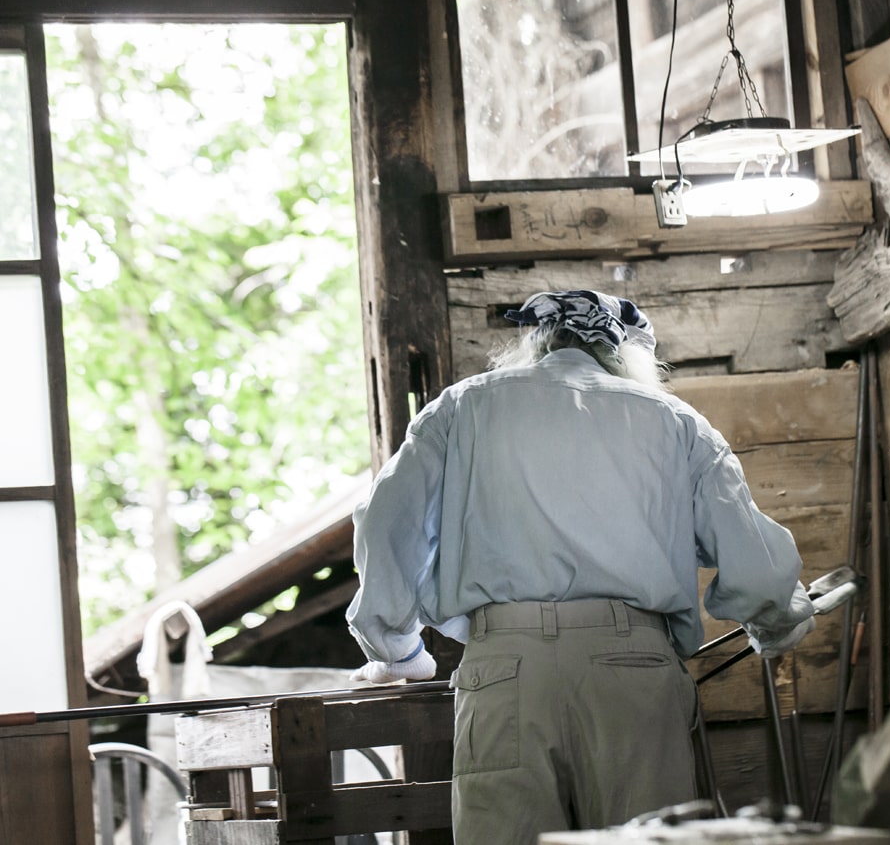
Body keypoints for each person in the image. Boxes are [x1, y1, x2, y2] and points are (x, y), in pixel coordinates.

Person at [345, 289, 815, 844]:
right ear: (624, 351)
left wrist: (396, 651)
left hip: (505, 669)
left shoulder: (461, 407)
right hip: (632, 673)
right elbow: (756, 567)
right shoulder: (674, 419)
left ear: (535, 340)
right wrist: (778, 623)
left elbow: (385, 522)